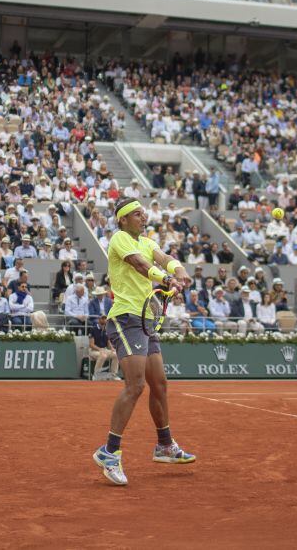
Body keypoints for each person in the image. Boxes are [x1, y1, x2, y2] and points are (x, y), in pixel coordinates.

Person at [93, 198, 196, 487]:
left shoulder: (147, 241)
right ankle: (109, 452)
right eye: (136, 213)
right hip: (125, 318)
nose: (143, 216)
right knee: (136, 385)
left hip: (145, 320)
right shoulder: (120, 238)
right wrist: (165, 279)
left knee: (159, 383)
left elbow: (163, 257)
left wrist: (179, 272)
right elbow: (140, 265)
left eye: (143, 212)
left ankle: (165, 445)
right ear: (123, 219)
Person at [88, 316, 119, 380]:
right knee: (103, 356)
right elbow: (91, 345)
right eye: (102, 318)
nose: (104, 320)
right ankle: (96, 375)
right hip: (93, 351)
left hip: (104, 350)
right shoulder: (93, 329)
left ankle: (113, 375)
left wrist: (112, 349)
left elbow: (108, 342)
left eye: (105, 319)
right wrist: (100, 349)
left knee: (116, 355)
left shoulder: (106, 330)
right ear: (99, 320)